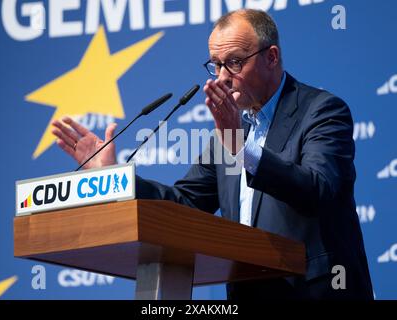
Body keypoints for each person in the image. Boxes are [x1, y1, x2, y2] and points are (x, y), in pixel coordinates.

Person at [52, 9, 373, 299]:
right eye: (215, 65)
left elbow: (318, 189)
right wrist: (111, 180)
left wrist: (240, 148)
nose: (221, 77)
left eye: (234, 62)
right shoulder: (228, 135)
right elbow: (184, 202)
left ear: (271, 57)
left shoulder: (322, 111)